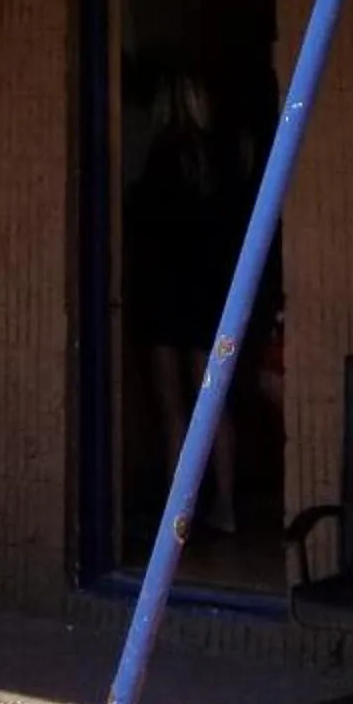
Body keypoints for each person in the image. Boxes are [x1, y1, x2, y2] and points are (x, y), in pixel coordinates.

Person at [131, 69, 250, 535]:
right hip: (210, 293)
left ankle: (179, 509)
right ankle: (226, 505)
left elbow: (145, 226)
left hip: (165, 293)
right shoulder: (223, 154)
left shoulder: (161, 156)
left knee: (172, 405)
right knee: (214, 401)